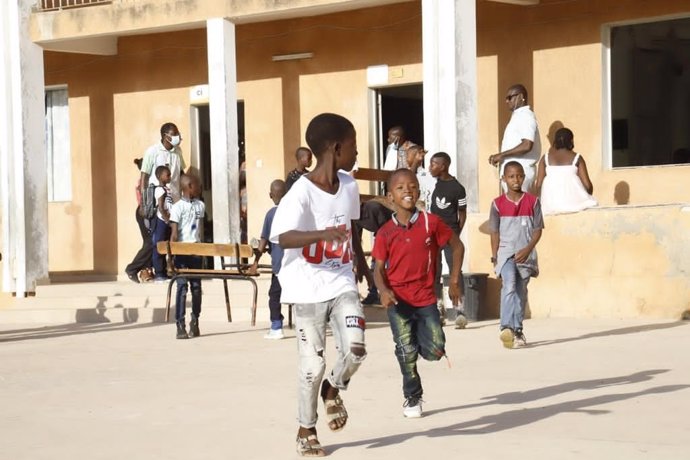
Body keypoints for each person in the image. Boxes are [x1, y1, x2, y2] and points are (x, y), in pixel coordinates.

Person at [269, 113, 366, 457]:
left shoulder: (349, 186)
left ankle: (332, 390)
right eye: (353, 146)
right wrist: (322, 233)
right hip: (307, 289)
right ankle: (305, 428)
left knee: (356, 348)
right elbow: (282, 236)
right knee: (312, 366)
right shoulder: (301, 193)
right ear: (336, 148)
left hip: (342, 282)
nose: (357, 153)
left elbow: (353, 228)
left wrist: (363, 268)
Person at [372, 168, 464, 418]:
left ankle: (417, 346)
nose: (408, 191)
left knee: (435, 350)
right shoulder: (385, 233)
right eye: (400, 188)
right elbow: (378, 269)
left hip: (425, 299)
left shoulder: (430, 222)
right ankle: (412, 398)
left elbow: (457, 247)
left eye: (412, 186)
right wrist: (382, 290)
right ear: (390, 197)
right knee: (405, 349)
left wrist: (454, 280)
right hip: (398, 302)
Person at [489, 161, 544, 349]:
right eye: (511, 176)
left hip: (526, 254)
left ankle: (517, 329)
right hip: (505, 254)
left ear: (524, 177)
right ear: (504, 179)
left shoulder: (533, 202)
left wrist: (528, 249)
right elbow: (494, 232)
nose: (516, 180)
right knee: (509, 285)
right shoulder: (497, 204)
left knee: (520, 292)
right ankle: (506, 327)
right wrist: (495, 256)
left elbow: (537, 230)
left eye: (519, 176)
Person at [429, 152, 468, 327]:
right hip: (433, 234)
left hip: (450, 233)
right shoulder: (435, 183)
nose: (430, 167)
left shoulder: (458, 188)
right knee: (434, 271)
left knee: (455, 271)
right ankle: (439, 309)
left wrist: (456, 234)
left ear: (443, 166)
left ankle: (460, 310)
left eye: (433, 164)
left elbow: (462, 213)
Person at [249, 179, 287, 340]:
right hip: (297, 265)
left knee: (274, 296)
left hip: (279, 266)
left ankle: (276, 326)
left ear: (271, 195)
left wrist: (255, 262)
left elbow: (263, 241)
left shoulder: (271, 214)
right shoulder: (296, 210)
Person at [169, 173, 206, 339]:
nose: (200, 187)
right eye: (198, 185)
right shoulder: (177, 207)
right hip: (182, 252)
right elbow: (174, 233)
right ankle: (180, 324)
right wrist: (171, 257)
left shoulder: (200, 205)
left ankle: (195, 320)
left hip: (196, 251)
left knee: (196, 287)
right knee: (182, 287)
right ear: (189, 186)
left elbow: (199, 229)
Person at [489, 84, 541, 193]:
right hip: (512, 173)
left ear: (520, 96)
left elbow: (527, 145)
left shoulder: (526, 116)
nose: (507, 101)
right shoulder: (518, 116)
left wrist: (501, 155)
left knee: (519, 208)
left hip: (520, 172)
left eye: (510, 98)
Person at [535, 127, 597, 215]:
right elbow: (588, 186)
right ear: (571, 141)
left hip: (550, 205)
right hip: (574, 204)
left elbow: (538, 185)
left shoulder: (545, 158)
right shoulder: (577, 158)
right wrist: (586, 196)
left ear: (555, 141)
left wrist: (540, 203)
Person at [140, 122, 187, 203]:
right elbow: (144, 178)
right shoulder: (152, 151)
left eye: (178, 133)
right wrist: (144, 203)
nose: (178, 136)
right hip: (157, 201)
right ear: (166, 136)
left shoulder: (178, 151)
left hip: (175, 200)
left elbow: (181, 173)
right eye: (175, 133)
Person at [125, 158, 153, 283]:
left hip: (147, 212)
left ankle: (146, 270)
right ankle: (132, 268)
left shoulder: (145, 180)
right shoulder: (144, 181)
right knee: (150, 243)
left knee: (150, 243)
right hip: (145, 213)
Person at [151, 165, 173, 282]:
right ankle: (159, 273)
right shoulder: (160, 190)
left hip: (166, 220)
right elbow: (160, 207)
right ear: (160, 177)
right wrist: (166, 219)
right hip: (161, 221)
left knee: (165, 246)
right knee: (158, 246)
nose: (170, 177)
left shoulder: (167, 189)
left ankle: (164, 272)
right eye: (167, 175)